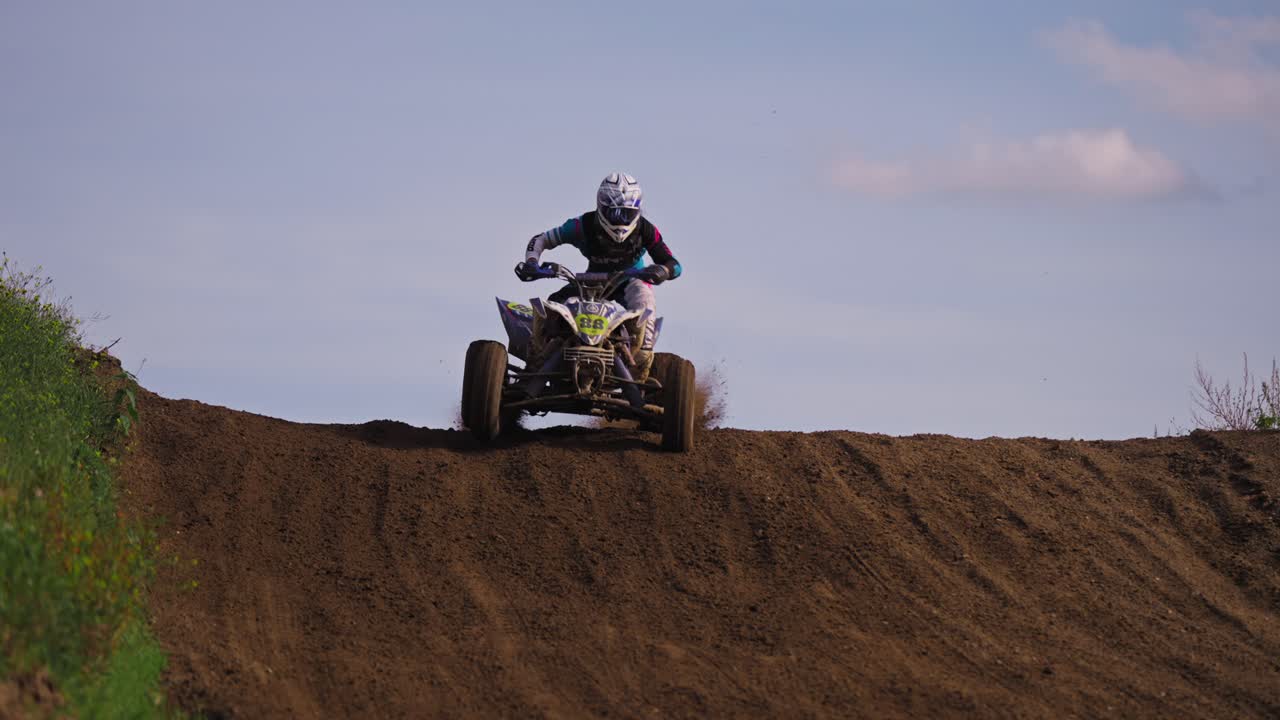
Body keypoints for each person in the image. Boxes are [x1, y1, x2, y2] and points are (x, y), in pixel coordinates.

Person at [516, 172, 682, 382]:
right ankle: (536, 361)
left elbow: (675, 264)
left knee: (645, 300)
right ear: (601, 207)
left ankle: (639, 369)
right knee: (552, 307)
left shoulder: (645, 230)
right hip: (590, 281)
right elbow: (541, 239)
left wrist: (663, 271)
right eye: (614, 213)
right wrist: (532, 262)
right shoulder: (582, 225)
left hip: (630, 280)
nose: (620, 220)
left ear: (637, 210)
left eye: (627, 213)